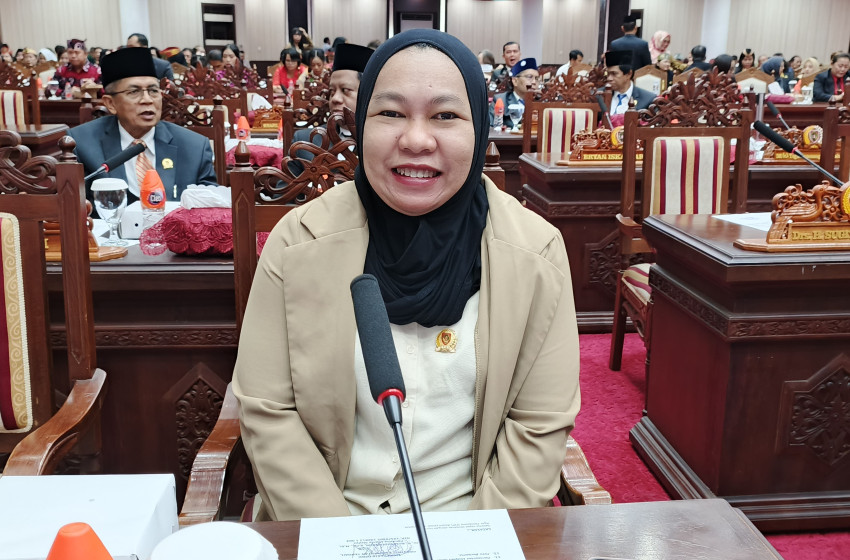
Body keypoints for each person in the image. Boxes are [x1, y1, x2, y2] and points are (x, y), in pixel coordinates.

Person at [233, 28, 580, 521]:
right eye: (391, 113)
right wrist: (341, 545)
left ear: (479, 128)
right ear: (361, 124)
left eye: (445, 116)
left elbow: (537, 425)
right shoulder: (297, 242)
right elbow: (269, 410)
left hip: (471, 524)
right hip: (324, 522)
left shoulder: (536, 253)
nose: (416, 140)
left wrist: (473, 544)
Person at [67, 48, 217, 203]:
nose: (147, 100)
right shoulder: (82, 144)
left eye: (153, 90)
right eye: (134, 92)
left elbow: (212, 208)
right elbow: (70, 206)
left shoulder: (194, 147)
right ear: (110, 104)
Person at [605, 49, 655, 122]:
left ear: (629, 74)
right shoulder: (599, 96)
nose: (609, 78)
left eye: (614, 74)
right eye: (608, 74)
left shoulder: (648, 100)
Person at [489, 57, 538, 129]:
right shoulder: (501, 100)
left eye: (536, 78)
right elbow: (490, 127)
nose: (534, 82)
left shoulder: (540, 101)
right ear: (515, 81)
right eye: (529, 77)